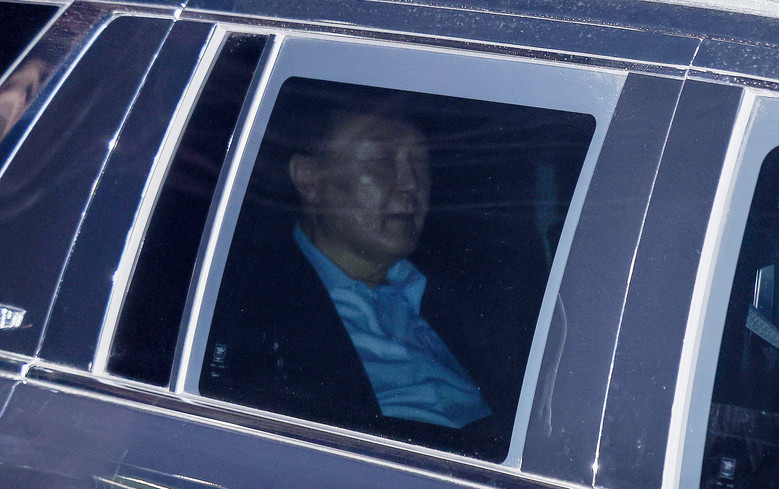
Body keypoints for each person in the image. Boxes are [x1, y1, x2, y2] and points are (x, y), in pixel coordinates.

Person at [200, 107, 531, 460]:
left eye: (421, 163)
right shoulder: (245, 307)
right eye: (383, 160)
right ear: (310, 180)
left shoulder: (471, 290)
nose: (411, 184)